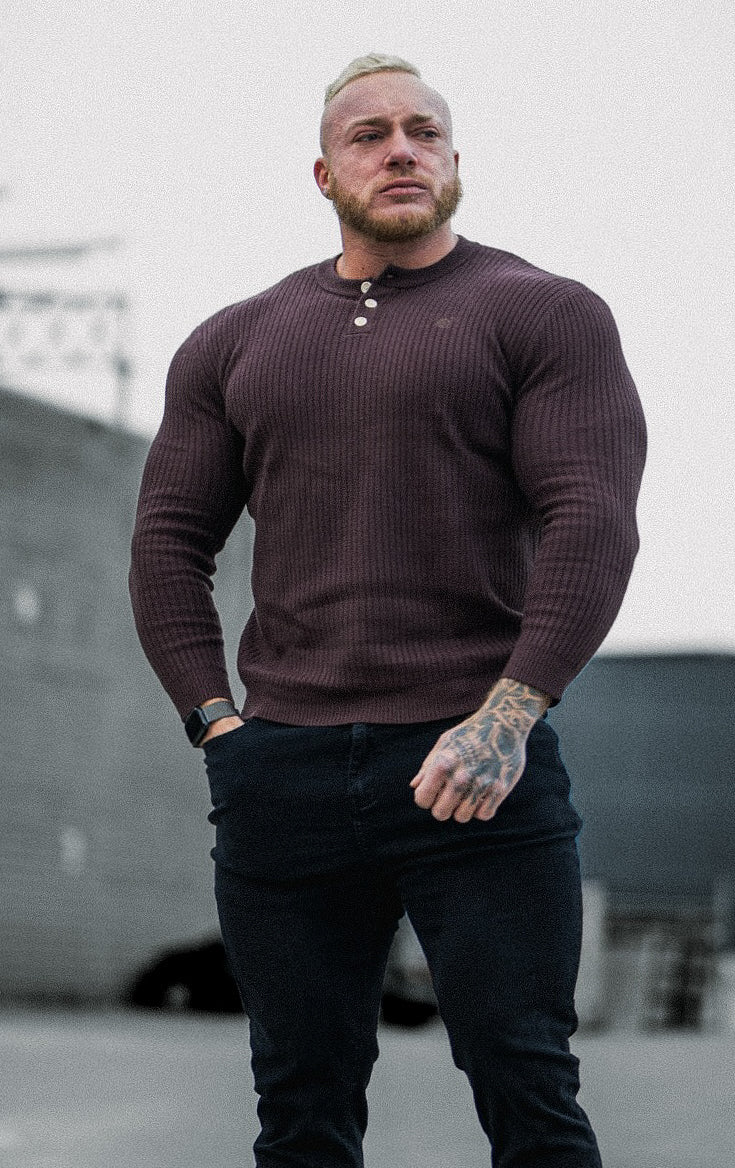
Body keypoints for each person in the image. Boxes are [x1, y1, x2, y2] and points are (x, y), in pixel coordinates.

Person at [130, 51, 646, 1168]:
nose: (400, 150)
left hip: (479, 766)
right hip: (282, 774)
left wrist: (504, 717)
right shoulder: (233, 340)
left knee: (526, 1085)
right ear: (324, 175)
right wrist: (218, 726)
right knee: (299, 1104)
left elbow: (591, 521)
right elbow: (168, 545)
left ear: (456, 161)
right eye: (369, 135)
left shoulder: (543, 313)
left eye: (424, 131)